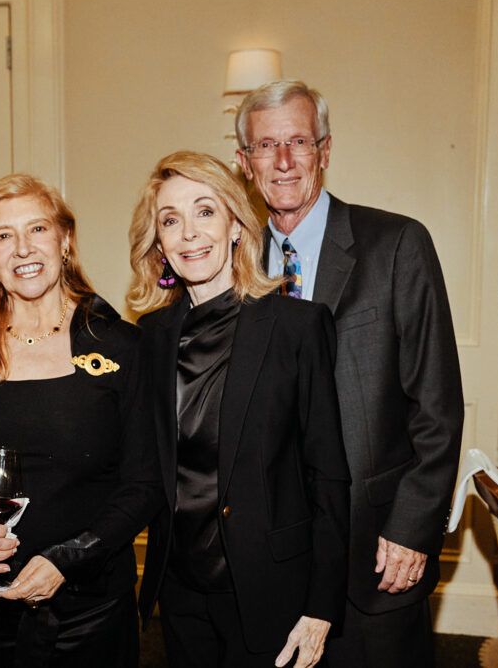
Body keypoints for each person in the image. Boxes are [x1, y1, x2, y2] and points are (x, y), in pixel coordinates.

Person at [234, 80, 465, 667]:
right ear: (244, 163)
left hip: (376, 550)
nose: (283, 162)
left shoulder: (396, 246)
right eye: (265, 146)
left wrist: (412, 527)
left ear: (325, 151)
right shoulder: (232, 264)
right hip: (274, 558)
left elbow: (437, 406)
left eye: (298, 142)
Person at [0, 173, 160, 667]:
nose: (23, 249)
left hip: (88, 613)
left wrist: (66, 560)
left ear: (65, 240)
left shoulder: (120, 346)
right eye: (4, 236)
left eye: (38, 230)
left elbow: (144, 484)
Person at [129, 151, 350, 668]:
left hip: (270, 588)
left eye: (205, 211)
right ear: (158, 242)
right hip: (180, 590)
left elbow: (329, 477)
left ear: (235, 224)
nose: (189, 234)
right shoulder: (150, 337)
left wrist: (321, 607)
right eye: (170, 220)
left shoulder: (297, 327)